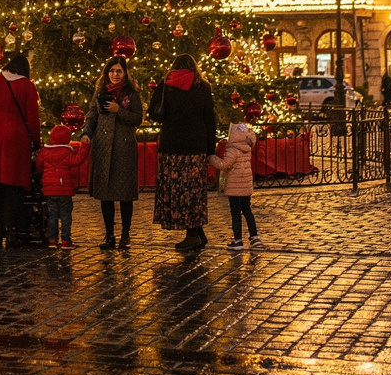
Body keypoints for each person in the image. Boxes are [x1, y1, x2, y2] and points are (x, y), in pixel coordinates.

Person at [151, 53, 218, 253]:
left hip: (172, 144)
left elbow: (154, 114)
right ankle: (196, 233)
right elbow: (209, 119)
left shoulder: (166, 85)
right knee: (193, 191)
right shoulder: (203, 87)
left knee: (177, 189)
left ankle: (192, 236)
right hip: (195, 144)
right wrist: (210, 148)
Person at [80, 55, 143, 250]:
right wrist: (87, 133)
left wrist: (119, 110)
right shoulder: (100, 91)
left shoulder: (131, 93)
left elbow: (137, 118)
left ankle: (125, 234)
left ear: (125, 73)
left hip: (124, 148)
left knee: (124, 193)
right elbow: (92, 114)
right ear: (107, 73)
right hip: (104, 147)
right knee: (105, 193)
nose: (115, 75)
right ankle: (109, 234)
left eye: (119, 71)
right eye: (112, 71)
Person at [0, 54, 40, 248]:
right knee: (14, 184)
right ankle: (12, 231)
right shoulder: (27, 86)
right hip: (16, 136)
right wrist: (36, 140)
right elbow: (32, 116)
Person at [213, 121, 262, 251]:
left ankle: (238, 240)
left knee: (235, 213)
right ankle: (255, 237)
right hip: (245, 186)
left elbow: (224, 164)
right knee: (247, 211)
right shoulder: (247, 148)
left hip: (234, 188)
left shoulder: (233, 150)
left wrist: (212, 159)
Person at [39, 124, 85, 249]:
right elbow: (78, 160)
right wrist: (85, 146)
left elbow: (39, 166)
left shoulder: (44, 151)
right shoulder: (67, 151)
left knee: (52, 215)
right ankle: (66, 240)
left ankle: (52, 240)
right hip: (64, 189)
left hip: (50, 190)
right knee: (65, 216)